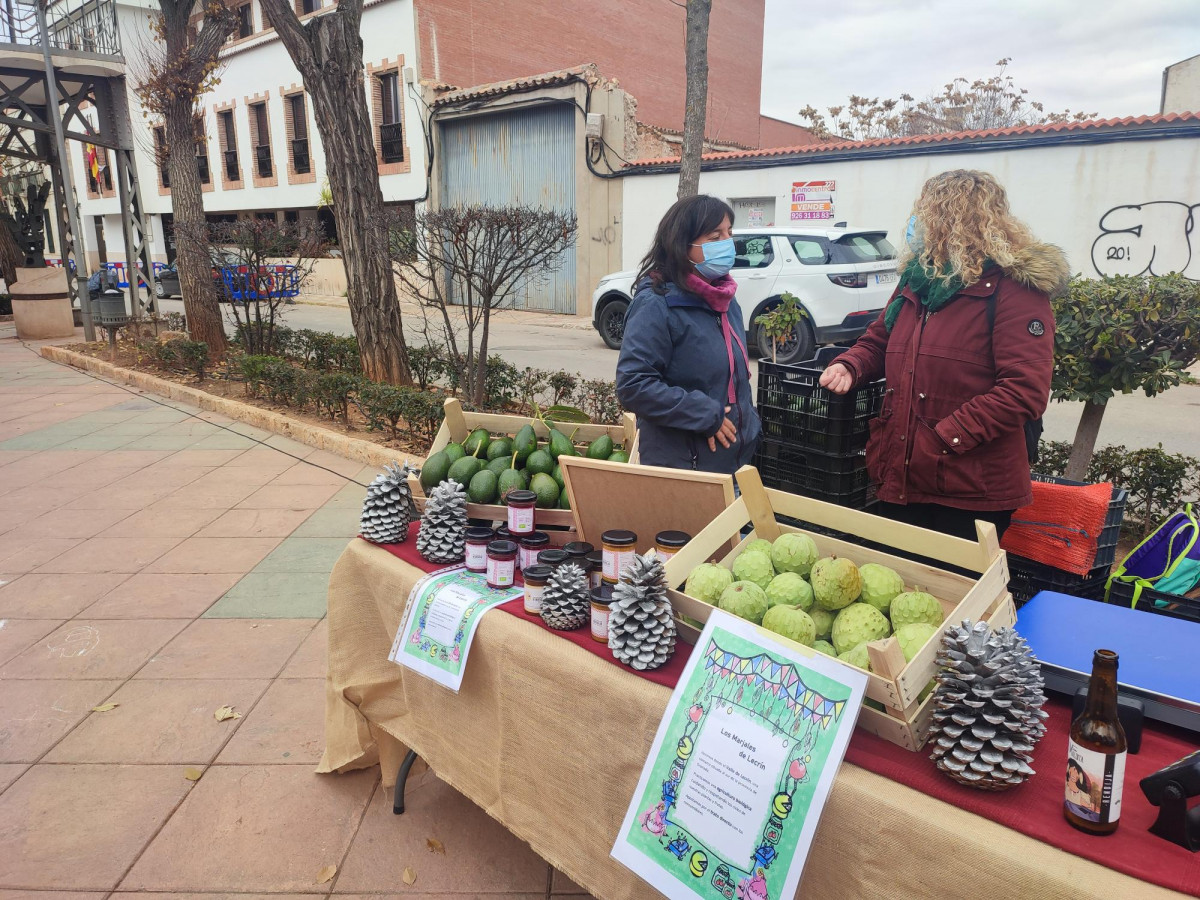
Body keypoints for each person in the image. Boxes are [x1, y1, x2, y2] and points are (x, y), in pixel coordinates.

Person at [819, 170, 1067, 540]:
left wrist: (942, 438)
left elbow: (1024, 390)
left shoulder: (1014, 289)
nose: (916, 223)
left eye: (926, 212)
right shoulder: (918, 280)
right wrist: (850, 365)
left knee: (954, 592)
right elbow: (879, 341)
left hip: (970, 489)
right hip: (903, 471)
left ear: (952, 220)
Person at [616, 194, 760, 474]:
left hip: (734, 462)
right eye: (714, 235)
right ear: (683, 245)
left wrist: (751, 424)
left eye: (729, 232)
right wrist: (705, 414)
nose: (727, 242)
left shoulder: (725, 301)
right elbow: (633, 385)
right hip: (685, 466)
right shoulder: (656, 304)